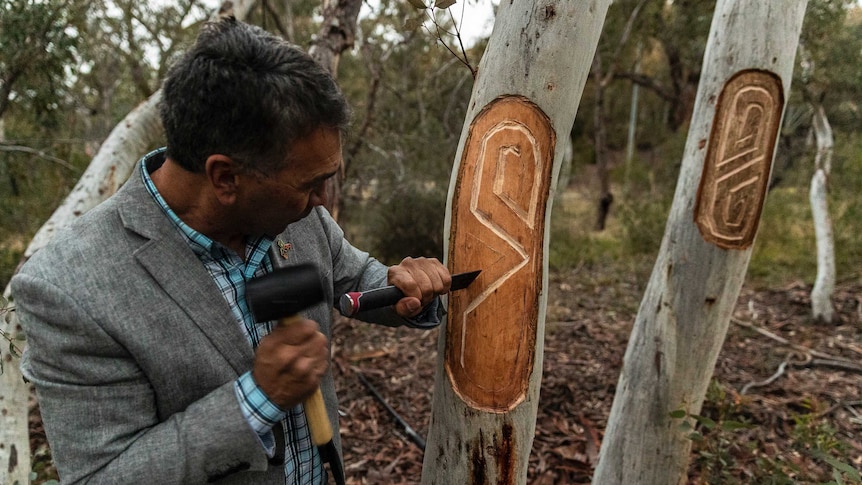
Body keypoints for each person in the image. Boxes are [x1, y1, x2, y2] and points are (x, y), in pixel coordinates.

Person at [12, 17, 451, 484]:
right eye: (311, 184)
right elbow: (100, 476)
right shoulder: (69, 288)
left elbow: (358, 279)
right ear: (225, 177)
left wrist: (406, 287)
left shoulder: (298, 217)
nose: (323, 200)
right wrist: (255, 399)